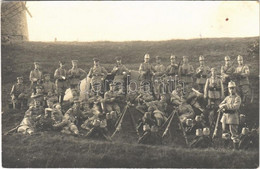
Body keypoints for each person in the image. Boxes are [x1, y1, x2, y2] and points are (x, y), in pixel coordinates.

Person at [219, 81, 241, 150]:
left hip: (232, 117)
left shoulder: (237, 98)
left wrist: (225, 106)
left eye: (233, 88)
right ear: (228, 89)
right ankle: (226, 148)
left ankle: (235, 149)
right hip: (225, 117)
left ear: (235, 89)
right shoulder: (227, 98)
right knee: (225, 133)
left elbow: (235, 107)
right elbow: (220, 105)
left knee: (234, 134)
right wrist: (223, 107)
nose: (231, 90)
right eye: (230, 88)